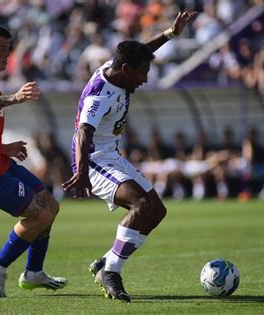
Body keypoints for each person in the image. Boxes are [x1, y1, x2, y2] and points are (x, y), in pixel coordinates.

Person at [62, 11, 197, 302]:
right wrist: (83, 172)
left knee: (157, 211)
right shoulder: (101, 94)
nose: (145, 80)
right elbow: (83, 132)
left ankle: (106, 261)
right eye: (142, 73)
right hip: (94, 158)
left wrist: (171, 34)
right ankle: (111, 271)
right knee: (141, 204)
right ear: (125, 70)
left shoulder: (118, 68)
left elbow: (142, 51)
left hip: (110, 153)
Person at [0, 24, 67, 299]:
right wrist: (15, 97)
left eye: (9, 49)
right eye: (2, 49)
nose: (8, 55)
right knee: (39, 214)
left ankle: (33, 273)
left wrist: (3, 147)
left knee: (50, 205)